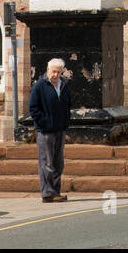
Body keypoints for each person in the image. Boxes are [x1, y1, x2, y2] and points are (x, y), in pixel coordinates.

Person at [29, 58, 71, 202]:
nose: (55, 75)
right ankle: (47, 193)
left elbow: (67, 105)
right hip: (46, 131)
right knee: (47, 162)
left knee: (58, 162)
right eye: (53, 71)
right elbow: (33, 108)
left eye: (58, 72)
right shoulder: (39, 86)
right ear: (47, 70)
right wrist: (44, 123)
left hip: (60, 128)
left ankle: (55, 192)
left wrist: (65, 121)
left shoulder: (64, 85)